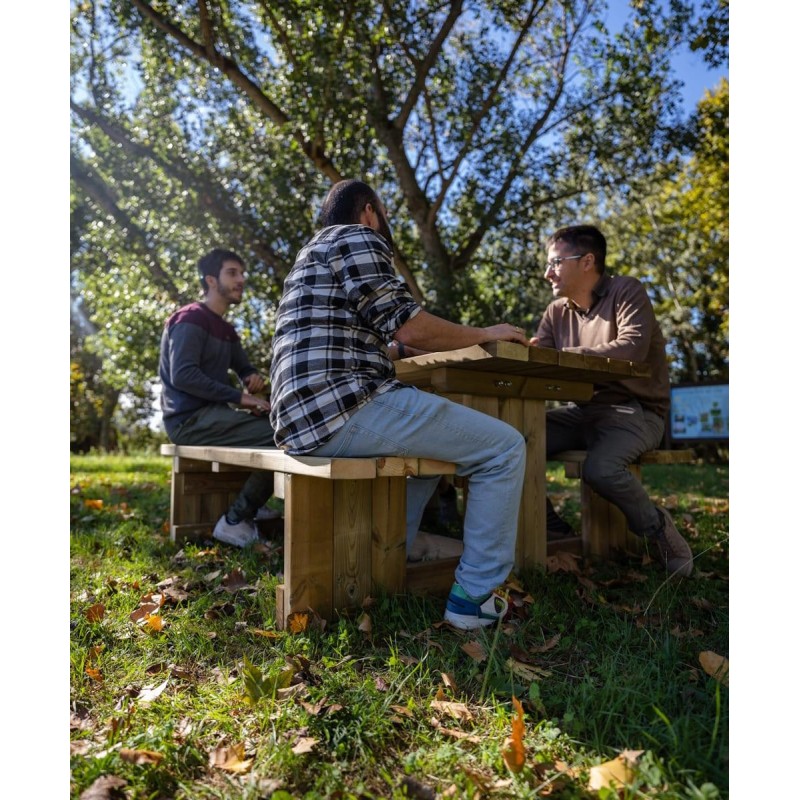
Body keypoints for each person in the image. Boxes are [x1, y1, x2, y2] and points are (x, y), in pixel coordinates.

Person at [269, 179, 532, 629]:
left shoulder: (308, 258)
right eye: (385, 215)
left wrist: (394, 351)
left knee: (430, 456)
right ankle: (474, 599)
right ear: (369, 211)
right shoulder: (359, 237)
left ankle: (389, 560)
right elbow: (408, 327)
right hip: (344, 407)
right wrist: (487, 334)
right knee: (504, 448)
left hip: (302, 416)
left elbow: (371, 338)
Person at [532, 225, 693, 577]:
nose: (547, 273)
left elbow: (630, 349)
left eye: (556, 262)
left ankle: (658, 529)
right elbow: (540, 362)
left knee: (600, 469)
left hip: (636, 412)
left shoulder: (627, 290)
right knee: (514, 437)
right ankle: (552, 528)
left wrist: (565, 356)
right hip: (582, 412)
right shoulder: (556, 312)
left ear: (587, 261)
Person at [159, 248, 278, 548]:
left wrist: (251, 377)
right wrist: (242, 398)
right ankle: (236, 519)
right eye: (232, 273)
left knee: (281, 425)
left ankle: (252, 502)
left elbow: (244, 367)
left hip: (214, 416)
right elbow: (183, 375)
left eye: (242, 273)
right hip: (188, 421)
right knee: (278, 436)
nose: (241, 280)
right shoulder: (190, 318)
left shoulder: (227, 330)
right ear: (211, 280)